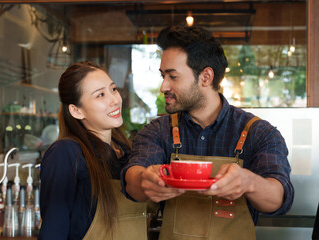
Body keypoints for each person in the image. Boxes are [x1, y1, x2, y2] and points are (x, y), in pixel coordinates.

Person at [122, 26, 294, 240]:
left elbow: (278, 199)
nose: (163, 86)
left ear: (205, 77)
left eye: (173, 76)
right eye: (162, 75)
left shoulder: (259, 132)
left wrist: (249, 182)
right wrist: (143, 180)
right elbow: (132, 178)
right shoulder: (159, 130)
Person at [39, 61, 147, 240]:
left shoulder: (126, 153)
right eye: (100, 95)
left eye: (113, 89)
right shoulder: (66, 153)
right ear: (76, 110)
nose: (114, 100)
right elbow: (53, 232)